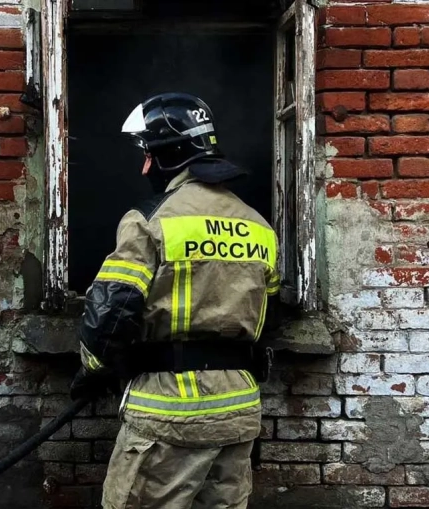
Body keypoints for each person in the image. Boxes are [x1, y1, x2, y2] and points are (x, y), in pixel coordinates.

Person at [69, 92, 281, 509]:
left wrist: (93, 370)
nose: (144, 165)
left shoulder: (150, 221)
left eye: (148, 154)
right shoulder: (259, 227)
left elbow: (110, 314)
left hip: (168, 415)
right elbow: (266, 319)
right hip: (239, 411)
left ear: (169, 157)